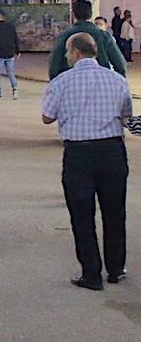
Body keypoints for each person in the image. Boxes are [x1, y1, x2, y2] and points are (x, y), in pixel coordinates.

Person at [40, 32, 132, 290]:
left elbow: (47, 116)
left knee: (82, 215)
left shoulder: (61, 82)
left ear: (76, 52)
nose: (67, 56)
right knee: (114, 212)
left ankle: (91, 274)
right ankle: (116, 269)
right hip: (112, 152)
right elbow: (126, 114)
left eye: (68, 52)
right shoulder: (117, 80)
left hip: (78, 155)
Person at [49, 0, 127, 78]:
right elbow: (120, 64)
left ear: (73, 14)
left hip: (70, 79)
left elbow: (54, 66)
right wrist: (114, 80)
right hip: (100, 78)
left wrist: (59, 81)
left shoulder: (64, 35)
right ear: (91, 14)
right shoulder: (104, 35)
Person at [0, 9, 20, 100]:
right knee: (10, 72)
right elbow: (15, 39)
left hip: (0, 53)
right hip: (10, 53)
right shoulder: (11, 26)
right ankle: (15, 88)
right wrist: (17, 51)